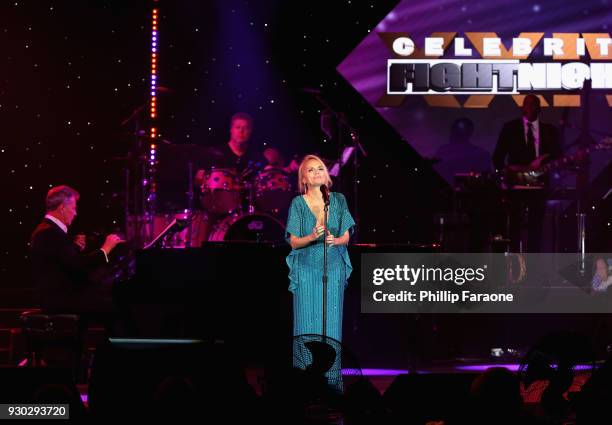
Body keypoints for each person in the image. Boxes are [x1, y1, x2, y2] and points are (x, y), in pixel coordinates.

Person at [285, 155, 355, 392]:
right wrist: (312, 237)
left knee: (331, 326)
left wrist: (338, 239)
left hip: (333, 268)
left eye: (320, 168)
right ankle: (305, 384)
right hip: (306, 270)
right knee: (307, 324)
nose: (316, 172)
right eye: (310, 170)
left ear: (327, 174)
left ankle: (332, 383)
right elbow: (294, 242)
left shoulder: (338, 201)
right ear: (303, 177)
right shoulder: (297, 204)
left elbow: (347, 234)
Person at [30, 185, 124, 317]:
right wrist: (105, 250)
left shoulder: (47, 230)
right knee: (116, 307)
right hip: (61, 299)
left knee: (108, 301)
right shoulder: (49, 233)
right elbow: (77, 265)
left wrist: (73, 246)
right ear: (62, 208)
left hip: (61, 296)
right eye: (73, 208)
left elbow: (60, 259)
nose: (75, 213)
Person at [492, 94, 561, 252]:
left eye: (533, 104)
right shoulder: (510, 128)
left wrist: (545, 161)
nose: (529, 107)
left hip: (539, 185)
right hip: (515, 185)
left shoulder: (550, 131)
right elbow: (498, 156)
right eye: (526, 104)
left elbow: (558, 154)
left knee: (536, 226)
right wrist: (504, 175)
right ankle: (515, 266)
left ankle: (533, 265)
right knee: (514, 226)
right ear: (522, 107)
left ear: (539, 108)